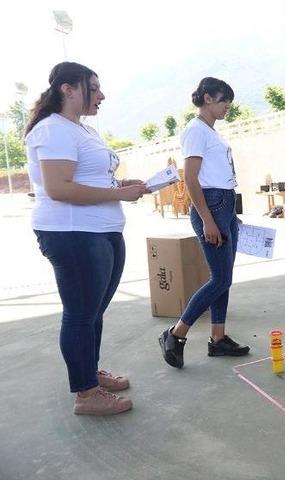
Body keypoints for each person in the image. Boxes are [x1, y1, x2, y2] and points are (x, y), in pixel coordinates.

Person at [25, 62, 147, 415]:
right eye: (93, 88)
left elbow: (90, 179)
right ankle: (86, 394)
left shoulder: (84, 131)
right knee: (80, 314)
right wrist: (118, 196)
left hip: (102, 230)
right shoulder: (53, 130)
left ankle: (88, 373)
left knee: (93, 312)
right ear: (68, 89)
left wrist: (121, 186)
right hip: (72, 233)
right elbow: (59, 188)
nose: (101, 95)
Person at [159, 77, 250, 369]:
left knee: (225, 278)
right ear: (208, 98)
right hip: (210, 205)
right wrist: (209, 220)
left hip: (223, 202)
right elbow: (190, 179)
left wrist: (228, 213)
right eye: (224, 100)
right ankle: (176, 333)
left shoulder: (211, 132)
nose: (227, 107)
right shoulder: (196, 130)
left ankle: (218, 337)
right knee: (220, 279)